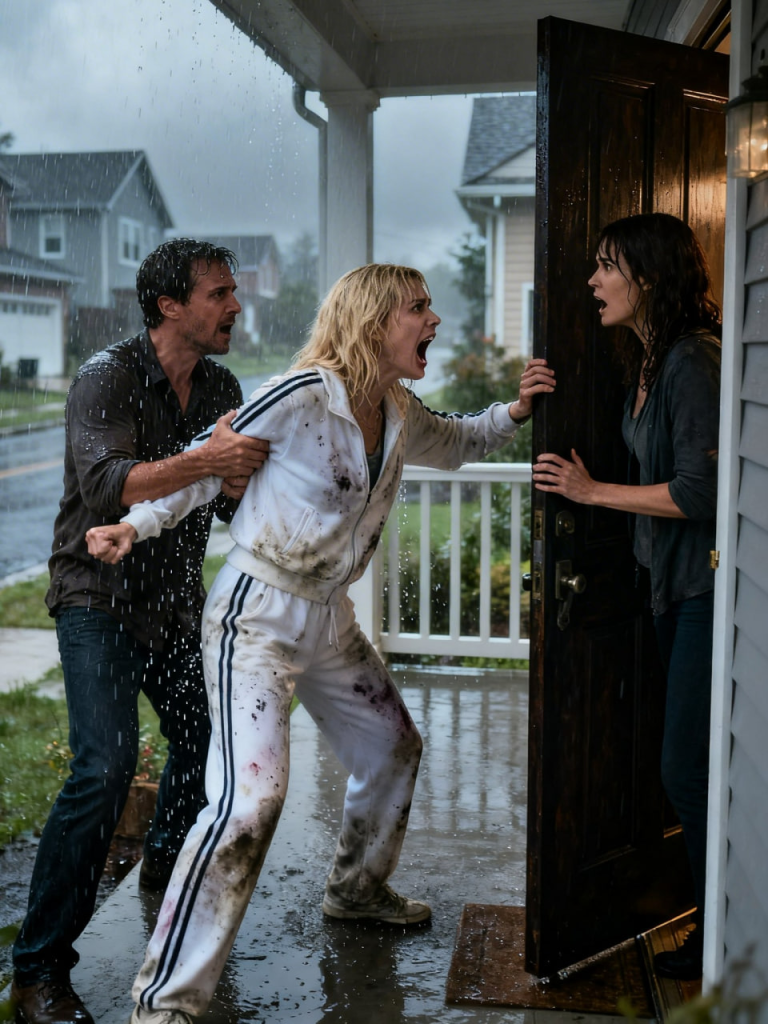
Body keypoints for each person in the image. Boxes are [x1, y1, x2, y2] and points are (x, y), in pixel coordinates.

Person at [86, 262, 556, 1024]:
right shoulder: (301, 394)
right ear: (373, 320)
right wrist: (134, 525)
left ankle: (357, 890)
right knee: (249, 803)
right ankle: (165, 1000)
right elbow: (210, 460)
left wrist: (515, 411)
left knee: (393, 747)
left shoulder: (395, 406)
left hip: (329, 618)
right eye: (418, 307)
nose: (433, 320)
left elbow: (458, 440)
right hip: (257, 617)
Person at [11, 239, 269, 1024]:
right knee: (104, 767)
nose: (235, 306)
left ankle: (162, 869)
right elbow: (105, 486)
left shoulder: (220, 384)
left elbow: (221, 502)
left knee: (204, 738)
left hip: (173, 605)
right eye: (220, 294)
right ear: (169, 306)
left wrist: (237, 480)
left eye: (232, 292)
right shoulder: (107, 376)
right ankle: (38, 972)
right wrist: (208, 460)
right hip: (97, 597)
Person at [532, 212, 721, 981]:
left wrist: (591, 492)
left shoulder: (691, 362)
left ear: (646, 277)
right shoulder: (648, 360)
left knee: (686, 773)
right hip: (666, 593)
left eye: (607, 266)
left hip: (705, 592)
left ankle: (719, 937)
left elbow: (699, 491)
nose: (592, 281)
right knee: (683, 769)